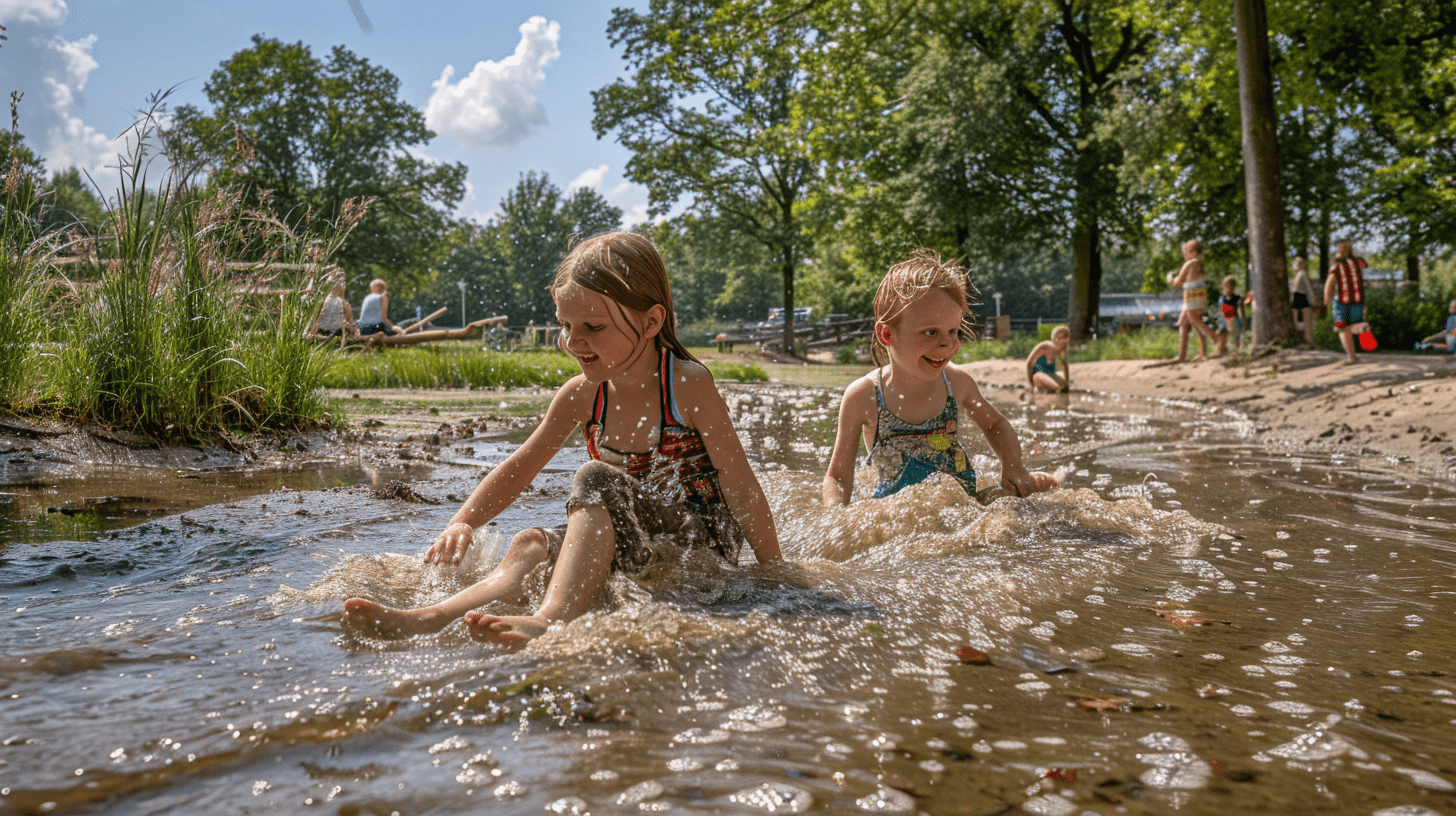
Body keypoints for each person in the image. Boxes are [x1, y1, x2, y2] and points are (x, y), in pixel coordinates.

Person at [342, 232, 782, 647]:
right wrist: (463, 522)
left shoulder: (687, 384)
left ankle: (551, 619)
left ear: (651, 321)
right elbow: (520, 467)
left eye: (593, 326)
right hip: (639, 541)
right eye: (566, 325)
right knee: (529, 543)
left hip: (697, 549)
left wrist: (775, 571)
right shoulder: (580, 396)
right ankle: (430, 617)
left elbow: (740, 484)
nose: (574, 341)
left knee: (595, 476)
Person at [821, 248, 1059, 507]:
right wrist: (836, 516)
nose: (947, 344)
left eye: (953, 331)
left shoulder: (956, 383)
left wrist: (1013, 467)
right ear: (887, 335)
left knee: (1030, 497)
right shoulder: (864, 397)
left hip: (965, 504)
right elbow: (838, 476)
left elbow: (995, 425)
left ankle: (1029, 480)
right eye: (931, 332)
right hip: (897, 513)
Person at [1166, 239, 1217, 363]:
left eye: (1187, 252)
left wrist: (1170, 278)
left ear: (1193, 252)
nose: (1185, 255)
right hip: (1197, 298)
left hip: (1192, 299)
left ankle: (1216, 338)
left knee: (1194, 320)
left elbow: (1178, 281)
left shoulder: (1190, 264)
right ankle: (1187, 355)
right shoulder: (1200, 263)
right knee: (1183, 322)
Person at [1323, 241, 1368, 365]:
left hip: (1343, 300)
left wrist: (1326, 297)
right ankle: (1355, 353)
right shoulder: (1357, 262)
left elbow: (1329, 283)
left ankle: (1352, 356)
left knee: (1342, 327)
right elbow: (1364, 266)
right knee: (1351, 326)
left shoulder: (1336, 265)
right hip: (1357, 300)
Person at [1026, 325, 1071, 393]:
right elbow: (1029, 363)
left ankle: (1048, 390)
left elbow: (1065, 365)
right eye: (1064, 338)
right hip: (1038, 375)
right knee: (1056, 388)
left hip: (1050, 375)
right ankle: (1036, 391)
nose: (1067, 342)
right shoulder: (1044, 346)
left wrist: (1066, 382)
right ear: (1056, 339)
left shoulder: (1062, 351)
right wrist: (1031, 383)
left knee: (1063, 388)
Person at [1290, 257, 1316, 347]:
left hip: (1302, 296)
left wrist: (1312, 299)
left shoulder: (1302, 273)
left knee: (1307, 319)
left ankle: (1309, 340)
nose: (1294, 265)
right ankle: (1299, 339)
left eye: (1296, 263)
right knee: (1295, 319)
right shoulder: (1297, 275)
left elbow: (1308, 287)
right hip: (1296, 297)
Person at [1216, 276, 1245, 356]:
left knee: (1235, 337)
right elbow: (1219, 310)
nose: (1226, 289)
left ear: (1233, 287)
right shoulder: (1221, 298)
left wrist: (1243, 323)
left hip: (1233, 320)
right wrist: (1218, 320)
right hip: (1224, 320)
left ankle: (1236, 351)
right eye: (1224, 286)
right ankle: (1222, 351)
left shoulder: (1237, 298)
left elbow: (1241, 312)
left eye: (1229, 286)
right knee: (1222, 336)